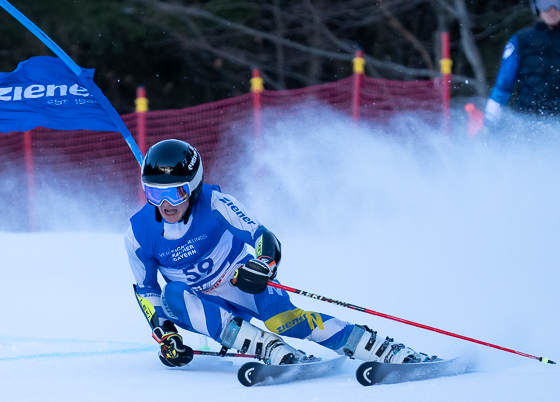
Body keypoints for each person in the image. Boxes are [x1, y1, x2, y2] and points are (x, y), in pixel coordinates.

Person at [125, 139, 429, 368]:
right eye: (154, 193)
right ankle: (267, 347)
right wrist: (166, 335)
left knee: (286, 321)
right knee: (173, 294)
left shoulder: (216, 203)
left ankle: (375, 347)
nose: (166, 204)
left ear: (193, 187)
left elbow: (261, 235)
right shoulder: (137, 235)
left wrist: (264, 264)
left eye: (175, 192)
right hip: (201, 304)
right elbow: (146, 291)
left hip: (240, 280)